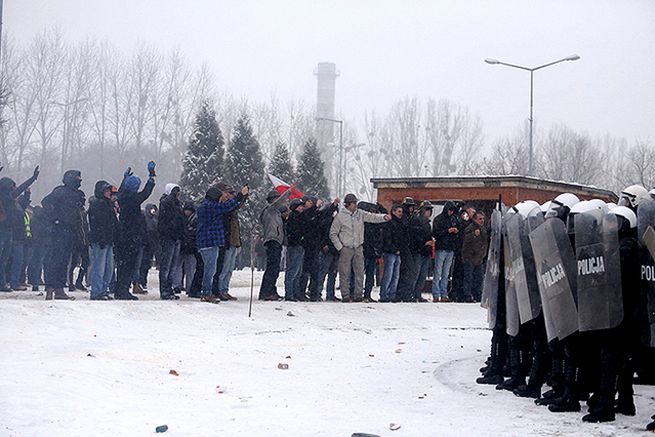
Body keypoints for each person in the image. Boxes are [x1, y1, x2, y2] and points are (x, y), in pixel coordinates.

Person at [329, 193, 390, 302]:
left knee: (360, 273)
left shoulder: (360, 214)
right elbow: (333, 233)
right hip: (346, 248)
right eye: (354, 203)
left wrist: (383, 217)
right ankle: (346, 295)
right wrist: (340, 247)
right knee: (345, 273)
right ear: (348, 204)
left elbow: (372, 217)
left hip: (358, 248)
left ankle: (358, 295)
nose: (356, 205)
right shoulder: (340, 217)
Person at [196, 183, 248, 303]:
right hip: (210, 242)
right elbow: (226, 207)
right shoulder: (211, 206)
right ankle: (206, 293)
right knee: (210, 270)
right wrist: (240, 195)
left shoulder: (205, 205)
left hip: (208, 242)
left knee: (210, 269)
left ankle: (207, 292)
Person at [114, 163, 156, 300]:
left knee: (122, 264)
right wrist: (151, 176)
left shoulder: (122, 197)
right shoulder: (134, 199)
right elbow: (146, 192)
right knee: (129, 264)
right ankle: (123, 290)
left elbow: (120, 191)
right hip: (132, 235)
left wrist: (124, 179)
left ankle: (119, 289)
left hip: (122, 234)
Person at [42, 169, 85, 300]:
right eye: (77, 179)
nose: (80, 181)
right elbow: (46, 202)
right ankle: (51, 288)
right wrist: (55, 218)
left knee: (64, 261)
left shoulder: (76, 194)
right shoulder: (60, 191)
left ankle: (59, 288)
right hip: (60, 229)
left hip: (71, 230)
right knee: (57, 260)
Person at [0, 166, 39, 292]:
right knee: (3, 259)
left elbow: (21, 188)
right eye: (12, 186)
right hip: (3, 230)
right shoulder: (3, 197)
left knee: (4, 259)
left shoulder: (10, 198)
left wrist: (32, 179)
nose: (15, 188)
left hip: (8, 230)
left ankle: (2, 283)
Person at [258, 188, 292, 301]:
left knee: (275, 268)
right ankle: (266, 292)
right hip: (272, 240)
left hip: (277, 241)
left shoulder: (276, 213)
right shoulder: (269, 210)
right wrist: (287, 192)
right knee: (272, 268)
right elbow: (276, 204)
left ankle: (271, 290)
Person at [87, 180, 118, 300]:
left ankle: (104, 290)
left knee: (109, 268)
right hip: (100, 241)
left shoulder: (108, 204)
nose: (109, 193)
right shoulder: (96, 204)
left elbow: (112, 223)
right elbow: (97, 224)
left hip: (108, 240)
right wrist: (101, 238)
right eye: (106, 190)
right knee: (99, 268)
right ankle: (96, 291)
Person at [217, 187, 247, 301]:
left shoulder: (231, 206)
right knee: (224, 268)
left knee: (230, 269)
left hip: (234, 240)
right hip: (227, 240)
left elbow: (237, 205)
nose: (231, 195)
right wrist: (241, 195)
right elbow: (233, 205)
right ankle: (220, 289)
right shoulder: (224, 205)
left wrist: (243, 196)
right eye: (230, 193)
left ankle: (225, 289)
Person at [158, 182, 185, 300]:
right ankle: (164, 289)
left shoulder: (177, 204)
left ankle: (168, 288)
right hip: (169, 237)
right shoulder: (166, 203)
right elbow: (164, 223)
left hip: (175, 237)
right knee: (167, 265)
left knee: (173, 266)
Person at [431, 201, 460, 302]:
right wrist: (448, 231)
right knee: (438, 272)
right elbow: (435, 233)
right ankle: (436, 294)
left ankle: (444, 294)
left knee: (446, 274)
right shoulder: (438, 219)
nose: (451, 212)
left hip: (450, 248)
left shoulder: (453, 219)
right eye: (450, 210)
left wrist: (455, 231)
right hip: (441, 248)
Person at [379, 204, 406, 303]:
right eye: (399, 212)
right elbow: (388, 239)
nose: (401, 214)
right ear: (393, 212)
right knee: (388, 274)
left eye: (401, 212)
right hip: (390, 252)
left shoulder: (401, 223)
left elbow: (401, 239)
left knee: (396, 275)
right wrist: (394, 249)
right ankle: (384, 294)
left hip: (398, 252)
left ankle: (392, 294)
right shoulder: (389, 223)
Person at [460, 211, 488, 302]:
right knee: (469, 278)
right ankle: (467, 295)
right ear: (475, 219)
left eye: (483, 219)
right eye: (480, 219)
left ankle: (477, 295)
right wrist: (473, 235)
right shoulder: (470, 228)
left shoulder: (483, 229)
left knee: (479, 278)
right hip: (470, 257)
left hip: (479, 258)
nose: (482, 221)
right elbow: (465, 241)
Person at [410, 201, 434, 302]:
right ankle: (411, 294)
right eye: (427, 210)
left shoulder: (428, 224)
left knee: (422, 275)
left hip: (426, 252)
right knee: (416, 274)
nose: (428, 212)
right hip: (418, 252)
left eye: (430, 210)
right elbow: (414, 237)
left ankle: (417, 294)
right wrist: (425, 243)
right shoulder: (416, 221)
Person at [284, 198, 307, 301]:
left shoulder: (299, 217)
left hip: (299, 246)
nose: (302, 208)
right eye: (300, 206)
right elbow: (295, 231)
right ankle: (290, 294)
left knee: (298, 272)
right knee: (293, 271)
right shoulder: (294, 217)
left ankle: (295, 293)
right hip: (295, 246)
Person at [180, 201, 198, 296]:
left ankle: (189, 286)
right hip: (187, 245)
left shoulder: (192, 219)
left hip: (190, 245)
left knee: (189, 268)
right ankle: (180, 285)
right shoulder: (191, 218)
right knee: (183, 267)